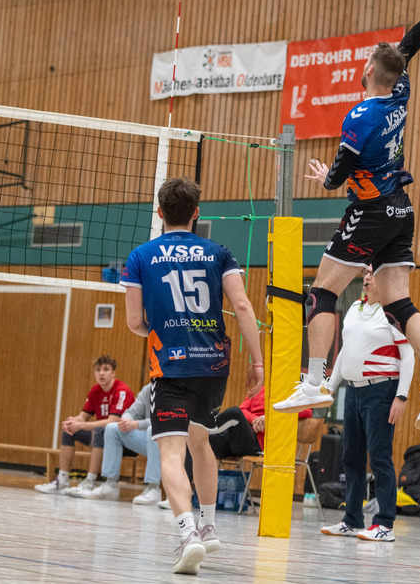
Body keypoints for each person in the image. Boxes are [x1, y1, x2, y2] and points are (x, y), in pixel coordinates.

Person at [272, 0, 420, 430]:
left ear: (367, 72)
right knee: (399, 302)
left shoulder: (360, 117)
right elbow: (408, 49)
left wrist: (325, 177)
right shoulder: (400, 93)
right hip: (402, 207)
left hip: (371, 211)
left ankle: (316, 380)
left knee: (322, 292)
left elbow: (339, 175)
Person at [122, 177, 263, 575]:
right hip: (214, 364)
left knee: (171, 452)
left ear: (160, 212)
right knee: (201, 443)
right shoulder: (220, 253)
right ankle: (209, 524)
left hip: (170, 366)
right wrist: (258, 362)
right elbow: (243, 306)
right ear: (197, 213)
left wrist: (164, 324)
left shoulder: (141, 256)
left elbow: (135, 322)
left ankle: (188, 535)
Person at [318, 266, 416, 542]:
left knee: (380, 457)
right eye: (366, 273)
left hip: (382, 391)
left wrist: (402, 396)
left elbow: (408, 356)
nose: (367, 276)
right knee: (351, 457)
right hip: (354, 392)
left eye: (374, 273)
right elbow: (344, 352)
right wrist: (330, 385)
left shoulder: (392, 313)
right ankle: (352, 519)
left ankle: (385, 523)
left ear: (386, 279)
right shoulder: (353, 308)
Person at [33, 355, 135, 496]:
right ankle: (61, 481)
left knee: (101, 430)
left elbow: (112, 421)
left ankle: (90, 481)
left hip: (125, 440)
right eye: (98, 370)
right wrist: (72, 422)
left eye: (106, 369)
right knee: (69, 430)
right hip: (102, 436)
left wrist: (81, 425)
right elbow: (83, 417)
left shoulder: (121, 391)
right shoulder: (95, 391)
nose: (101, 373)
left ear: (113, 373)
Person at [79, 382, 162, 505]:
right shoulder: (148, 389)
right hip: (146, 438)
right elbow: (132, 411)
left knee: (153, 430)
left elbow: (163, 420)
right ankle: (110, 485)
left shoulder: (175, 389)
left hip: (168, 441)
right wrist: (126, 420)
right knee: (112, 428)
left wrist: (137, 424)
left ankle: (153, 488)